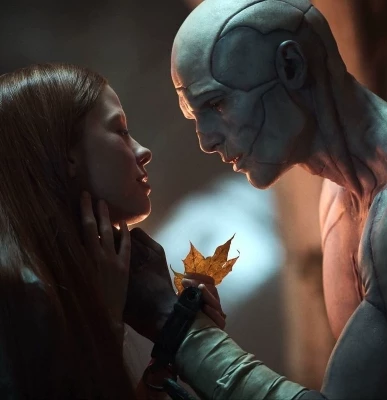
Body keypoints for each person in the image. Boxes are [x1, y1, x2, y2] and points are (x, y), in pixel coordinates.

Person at [134, 0, 387, 398]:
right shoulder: (340, 189)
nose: (206, 141)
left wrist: (182, 331)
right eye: (196, 117)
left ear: (291, 66)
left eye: (217, 104)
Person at [0, 63, 223, 399]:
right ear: (66, 155)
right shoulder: (20, 294)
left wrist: (176, 339)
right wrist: (103, 323)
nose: (143, 152)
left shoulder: (46, 283)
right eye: (120, 131)